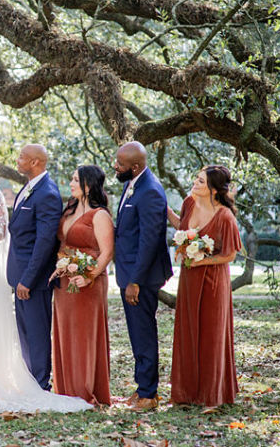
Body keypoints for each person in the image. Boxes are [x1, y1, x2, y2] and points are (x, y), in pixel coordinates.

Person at [0, 144, 91, 413]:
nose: (16, 160)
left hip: (3, 271)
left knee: (18, 328)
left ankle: (36, 384)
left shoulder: (37, 192)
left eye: (22, 157)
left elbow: (30, 238)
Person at [167, 165, 242, 406]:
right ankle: (187, 393)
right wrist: (163, 208)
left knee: (211, 334)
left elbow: (230, 255)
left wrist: (203, 261)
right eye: (196, 178)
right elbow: (182, 228)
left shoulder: (225, 217)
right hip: (189, 279)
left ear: (213, 190)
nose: (195, 183)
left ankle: (211, 393)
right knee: (188, 331)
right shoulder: (189, 203)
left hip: (213, 282)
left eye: (201, 181)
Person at [113, 141, 173, 411]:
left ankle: (149, 394)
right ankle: (142, 388)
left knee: (144, 334)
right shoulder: (132, 183)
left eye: (120, 164)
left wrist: (135, 280)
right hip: (129, 273)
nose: (116, 166)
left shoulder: (149, 190)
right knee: (136, 334)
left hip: (142, 278)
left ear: (135, 167)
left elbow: (149, 241)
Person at [52, 165, 114, 405]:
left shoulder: (100, 215)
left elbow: (107, 252)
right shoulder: (68, 212)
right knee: (65, 333)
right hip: (65, 282)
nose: (71, 183)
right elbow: (62, 246)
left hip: (89, 284)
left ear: (89, 185)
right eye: (71, 179)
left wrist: (88, 276)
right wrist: (62, 264)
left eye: (76, 179)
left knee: (84, 335)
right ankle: (65, 389)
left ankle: (85, 389)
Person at [6, 144, 63, 390]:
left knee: (37, 334)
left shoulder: (48, 193)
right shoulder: (28, 189)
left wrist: (28, 279)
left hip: (34, 279)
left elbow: (44, 242)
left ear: (35, 163)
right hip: (20, 274)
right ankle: (30, 381)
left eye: (21, 158)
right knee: (25, 333)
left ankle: (41, 384)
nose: (17, 161)